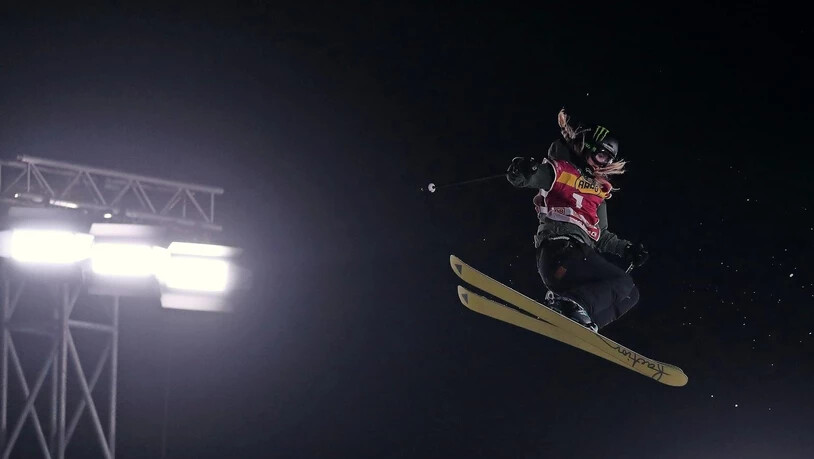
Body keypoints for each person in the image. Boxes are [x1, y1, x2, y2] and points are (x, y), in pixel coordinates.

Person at [506, 108, 649, 332]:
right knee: (624, 284)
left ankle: (581, 323)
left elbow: (601, 236)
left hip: (567, 274)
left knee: (629, 295)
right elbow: (533, 177)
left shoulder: (597, 195)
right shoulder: (564, 171)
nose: (602, 164)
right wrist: (523, 172)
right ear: (589, 148)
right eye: (601, 155)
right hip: (563, 252)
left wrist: (628, 249)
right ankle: (571, 304)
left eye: (608, 160)